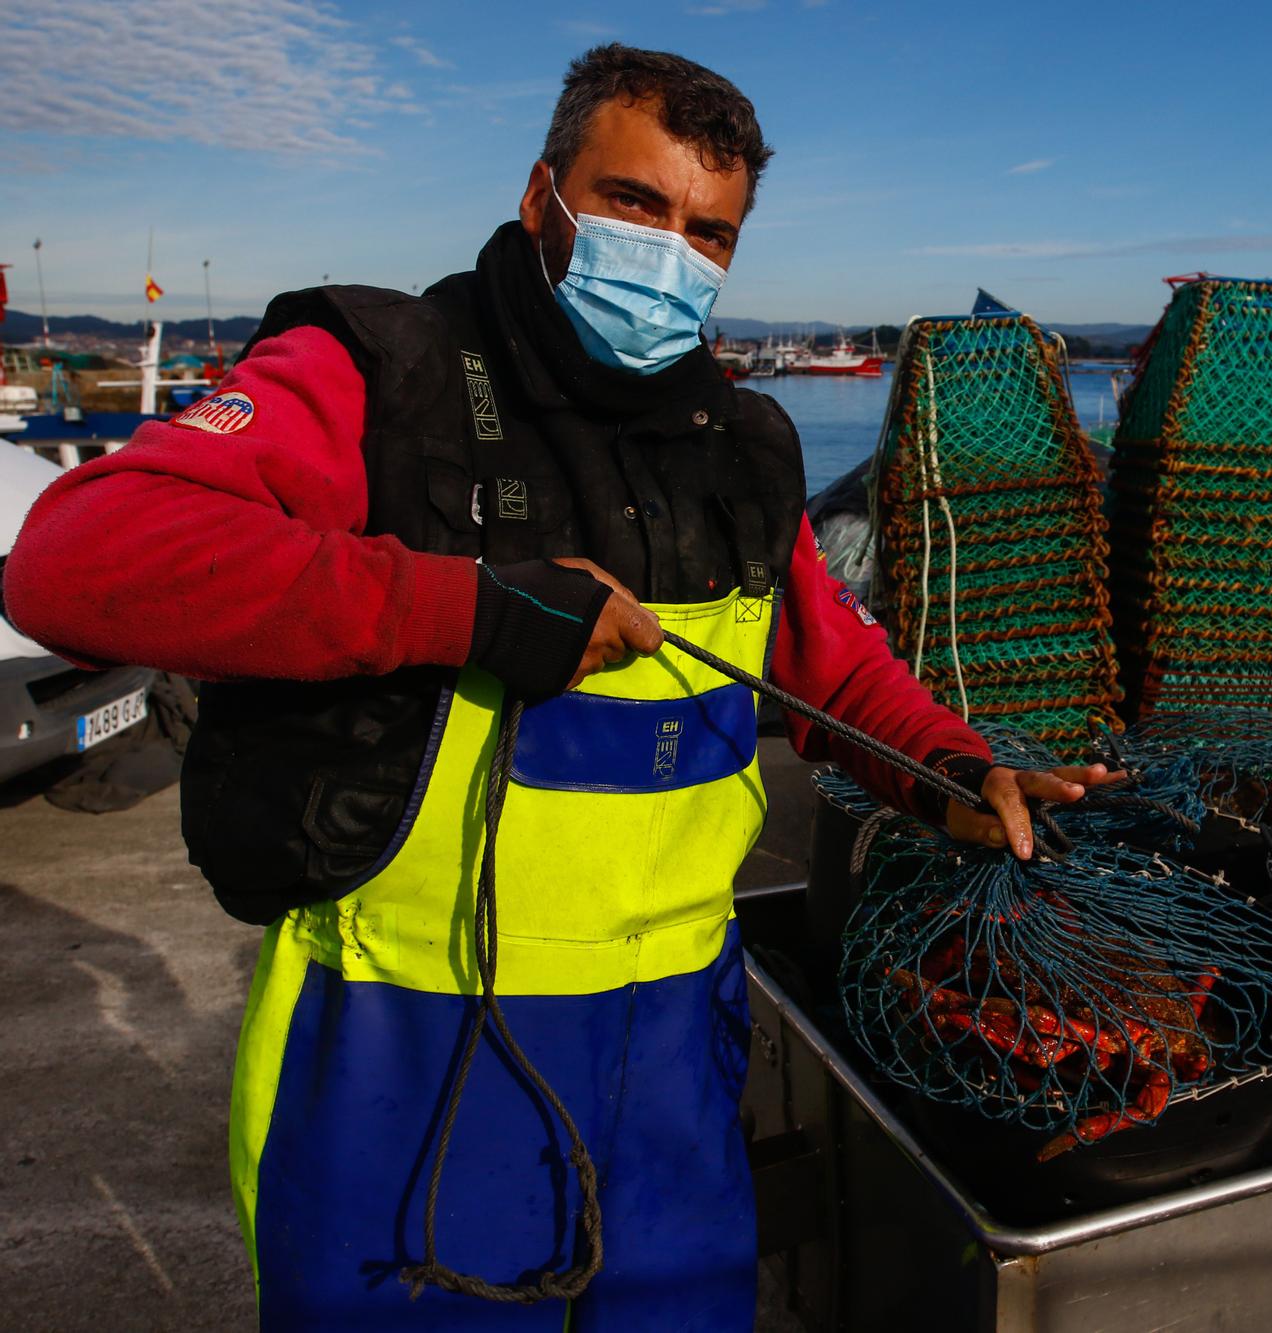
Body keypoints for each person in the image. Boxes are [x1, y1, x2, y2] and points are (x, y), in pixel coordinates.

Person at [2, 44, 1117, 1330]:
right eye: (635, 204)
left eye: (710, 233)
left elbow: (826, 662)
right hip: (408, 1045)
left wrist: (948, 764)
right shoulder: (380, 371)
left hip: (677, 1054)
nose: (671, 253)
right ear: (544, 198)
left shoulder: (741, 443)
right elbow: (78, 560)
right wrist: (462, 606)